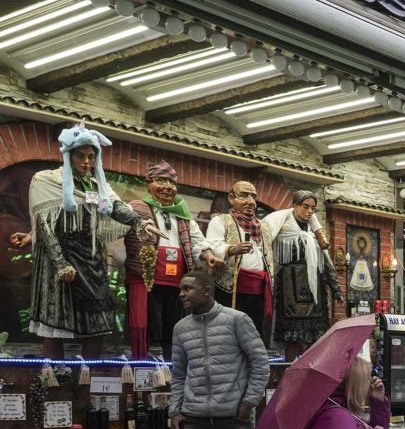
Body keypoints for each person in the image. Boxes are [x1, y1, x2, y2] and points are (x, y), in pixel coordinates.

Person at [28, 123, 160, 359]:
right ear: (68, 153)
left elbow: (116, 206)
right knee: (55, 322)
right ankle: (58, 383)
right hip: (59, 257)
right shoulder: (45, 180)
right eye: (81, 155)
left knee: (97, 325)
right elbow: (44, 226)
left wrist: (140, 223)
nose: (87, 162)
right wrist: (60, 263)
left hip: (92, 258)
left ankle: (89, 384)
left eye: (91, 156)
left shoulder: (98, 184)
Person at [169, 270, 268, 429]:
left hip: (233, 416)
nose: (181, 294)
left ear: (206, 291)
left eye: (187, 289)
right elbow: (179, 374)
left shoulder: (237, 320)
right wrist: (174, 411)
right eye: (181, 290)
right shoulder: (180, 328)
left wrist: (249, 402)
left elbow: (260, 362)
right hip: (194, 418)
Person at [125, 161, 202, 360]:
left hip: (177, 281)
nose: (168, 187)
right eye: (161, 181)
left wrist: (208, 255)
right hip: (146, 278)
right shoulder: (135, 208)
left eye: (172, 183)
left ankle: (170, 371)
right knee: (150, 326)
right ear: (148, 184)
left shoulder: (183, 213)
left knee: (174, 327)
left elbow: (197, 242)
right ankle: (143, 370)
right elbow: (116, 234)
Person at [263, 191, 342, 361]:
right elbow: (267, 248)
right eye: (305, 207)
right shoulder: (283, 226)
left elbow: (326, 261)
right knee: (293, 337)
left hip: (315, 290)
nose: (309, 211)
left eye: (313, 208)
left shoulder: (315, 233)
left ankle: (309, 370)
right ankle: (289, 371)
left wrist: (336, 288)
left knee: (314, 337)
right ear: (296, 206)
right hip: (290, 289)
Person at [197, 181, 272, 341]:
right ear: (231, 198)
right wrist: (232, 249)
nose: (250, 201)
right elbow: (212, 244)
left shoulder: (264, 226)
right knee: (226, 330)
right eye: (244, 195)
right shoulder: (221, 221)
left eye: (253, 196)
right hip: (229, 286)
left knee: (253, 331)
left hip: (258, 288)